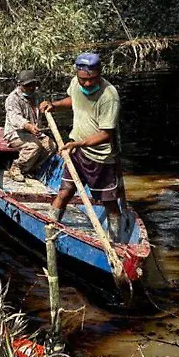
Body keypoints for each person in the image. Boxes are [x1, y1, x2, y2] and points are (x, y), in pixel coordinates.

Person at [39, 52, 124, 238]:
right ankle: (49, 232)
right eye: (83, 79)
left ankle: (116, 243)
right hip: (77, 152)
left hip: (100, 158)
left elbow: (105, 134)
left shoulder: (109, 96)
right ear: (78, 74)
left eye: (92, 79)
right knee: (64, 192)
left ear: (100, 73)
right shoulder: (75, 83)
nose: (87, 84)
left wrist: (79, 143)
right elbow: (74, 100)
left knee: (109, 203)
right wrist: (54, 104)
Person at [3, 70, 56, 182]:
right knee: (34, 146)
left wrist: (47, 106)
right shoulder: (12, 99)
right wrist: (28, 126)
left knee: (51, 146)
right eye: (27, 85)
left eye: (33, 84)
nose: (31, 88)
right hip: (15, 133)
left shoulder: (37, 96)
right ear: (20, 85)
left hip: (35, 132)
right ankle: (17, 167)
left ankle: (31, 168)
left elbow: (43, 110)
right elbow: (15, 119)